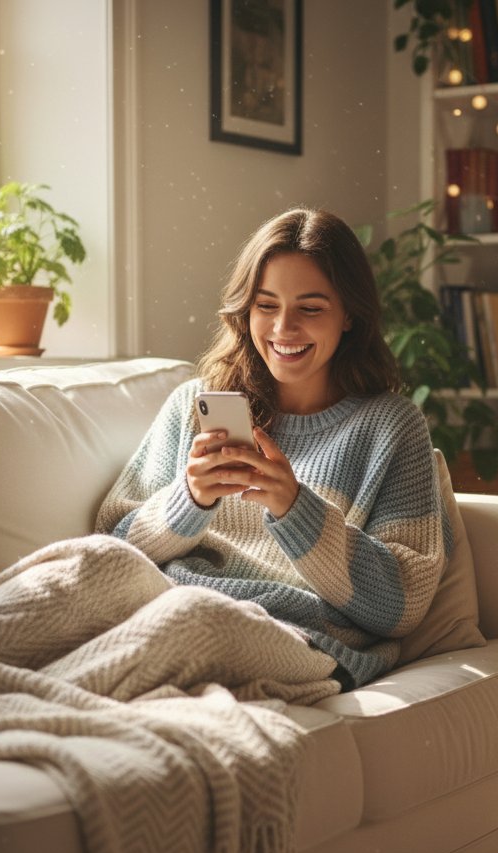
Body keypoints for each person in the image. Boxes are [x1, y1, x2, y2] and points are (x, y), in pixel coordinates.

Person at [95, 206, 448, 689]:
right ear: (245, 309)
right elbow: (113, 548)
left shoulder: (390, 427)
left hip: (291, 633)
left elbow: (402, 603)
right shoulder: (193, 406)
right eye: (266, 305)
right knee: (65, 573)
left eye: (310, 308)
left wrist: (294, 507)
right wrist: (189, 501)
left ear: (348, 316)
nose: (284, 328)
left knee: (191, 622)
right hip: (166, 604)